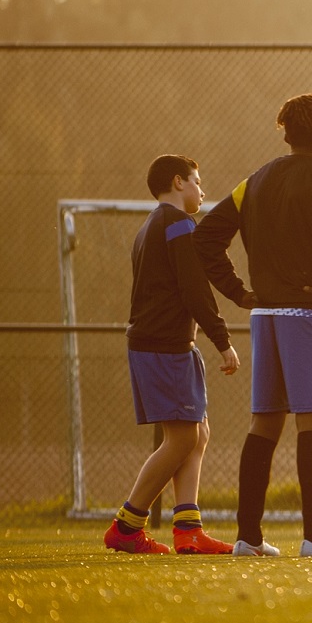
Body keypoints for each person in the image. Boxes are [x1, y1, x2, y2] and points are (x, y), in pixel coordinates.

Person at [196, 94, 312, 557]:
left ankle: (248, 538)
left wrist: (240, 293)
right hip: (311, 317)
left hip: (265, 316)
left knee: (263, 424)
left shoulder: (255, 182)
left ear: (286, 135)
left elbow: (205, 237)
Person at [107, 154, 241, 554]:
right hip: (163, 346)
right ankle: (127, 526)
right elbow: (194, 289)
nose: (202, 190)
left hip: (167, 345)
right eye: (198, 182)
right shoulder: (179, 225)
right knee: (182, 438)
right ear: (179, 182)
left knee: (196, 434)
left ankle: (187, 529)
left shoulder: (150, 226)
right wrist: (223, 340)